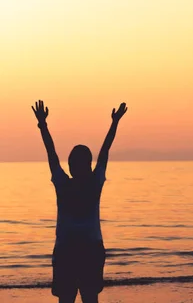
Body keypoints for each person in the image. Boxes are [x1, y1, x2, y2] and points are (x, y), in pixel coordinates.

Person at [32, 100, 128, 303]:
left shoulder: (63, 183)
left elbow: (51, 153)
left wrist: (43, 125)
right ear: (88, 165)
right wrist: (115, 122)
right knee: (89, 297)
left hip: (68, 250)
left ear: (71, 166)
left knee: (67, 298)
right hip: (90, 249)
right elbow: (105, 151)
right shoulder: (94, 183)